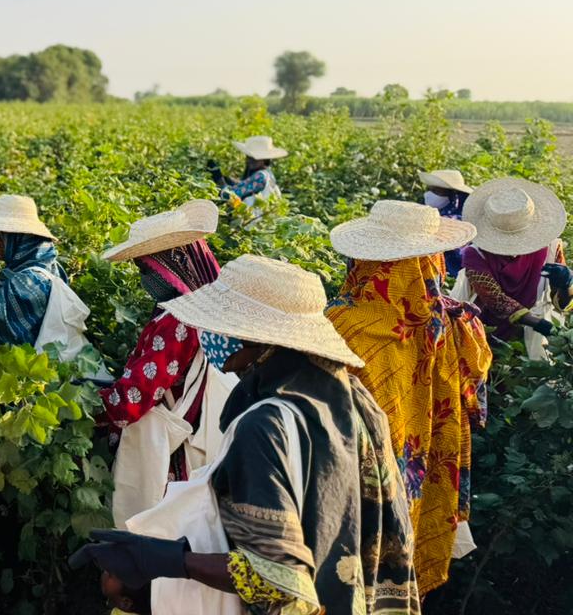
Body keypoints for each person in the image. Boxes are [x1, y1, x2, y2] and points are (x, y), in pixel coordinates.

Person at [70, 255, 420, 615]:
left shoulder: (264, 425)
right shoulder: (353, 398)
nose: (209, 333)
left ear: (249, 337)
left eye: (219, 323)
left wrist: (173, 561)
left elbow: (276, 579)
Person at [326, 200, 491, 594]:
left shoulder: (345, 323)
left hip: (355, 481)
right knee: (401, 568)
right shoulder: (452, 321)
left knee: (354, 580)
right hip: (418, 476)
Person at [98, 200, 240, 527]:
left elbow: (138, 396)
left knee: (155, 530)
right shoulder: (209, 305)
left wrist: (89, 407)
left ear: (168, 267)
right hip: (206, 427)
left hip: (176, 446)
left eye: (146, 269)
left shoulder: (178, 318)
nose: (144, 278)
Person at [0, 194, 93, 361]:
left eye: (0, 236)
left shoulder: (28, 280)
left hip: (39, 370)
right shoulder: (49, 267)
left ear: (19, 240)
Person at [456, 178, 572, 359]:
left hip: (532, 339)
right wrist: (539, 324)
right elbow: (497, 301)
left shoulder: (550, 249)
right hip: (487, 335)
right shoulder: (475, 254)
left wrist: (566, 284)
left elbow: (562, 304)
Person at [417, 169, 473, 276]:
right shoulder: (425, 213)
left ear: (451, 195)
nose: (429, 194)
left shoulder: (461, 220)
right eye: (430, 189)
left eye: (436, 191)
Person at [207, 136, 288, 209]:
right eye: (248, 157)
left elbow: (231, 195)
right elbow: (245, 185)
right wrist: (229, 180)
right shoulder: (268, 172)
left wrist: (219, 179)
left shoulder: (260, 176)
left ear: (264, 159)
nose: (249, 161)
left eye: (254, 158)